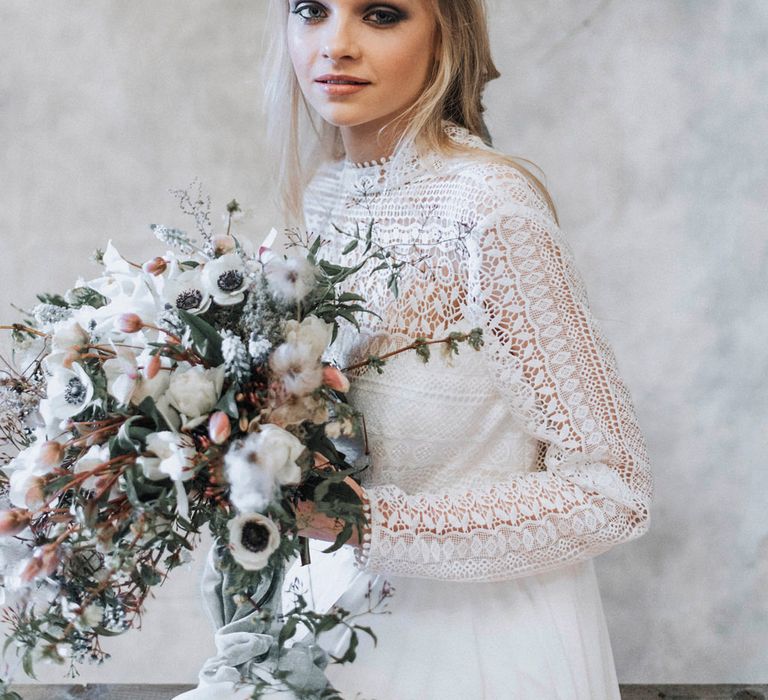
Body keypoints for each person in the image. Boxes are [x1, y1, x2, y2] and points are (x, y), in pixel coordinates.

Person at [261, 1, 654, 698]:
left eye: (380, 15)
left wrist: (370, 523)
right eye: (311, 10)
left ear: (449, 33)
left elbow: (615, 490)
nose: (335, 45)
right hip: (330, 620)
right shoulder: (323, 196)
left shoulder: (489, 210)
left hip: (476, 649)